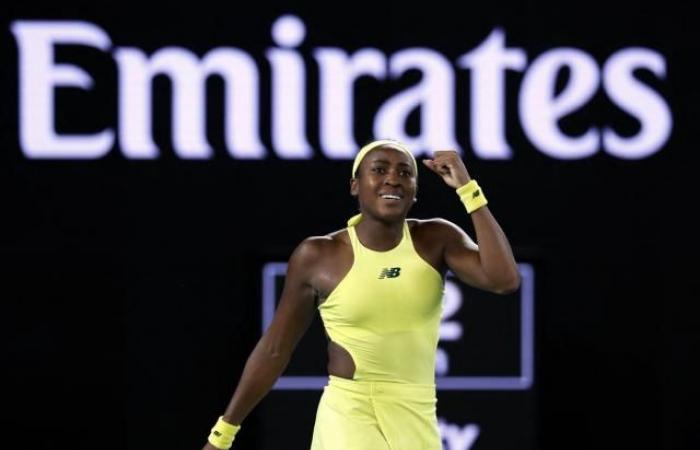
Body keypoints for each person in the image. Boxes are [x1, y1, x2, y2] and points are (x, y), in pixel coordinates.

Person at [202, 139, 520, 450]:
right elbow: (274, 350)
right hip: (349, 412)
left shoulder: (437, 237)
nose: (392, 178)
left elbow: (503, 280)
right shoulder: (318, 255)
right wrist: (223, 434)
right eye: (379, 170)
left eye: (405, 172)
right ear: (355, 185)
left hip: (417, 412)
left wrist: (468, 190)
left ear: (415, 191)